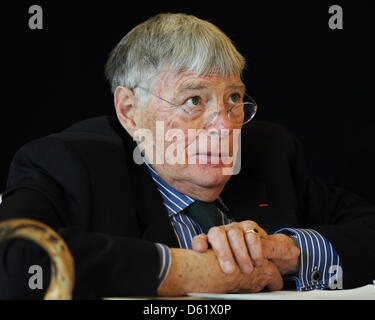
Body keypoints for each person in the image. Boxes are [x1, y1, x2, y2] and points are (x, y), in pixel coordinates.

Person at [0, 13, 374, 299]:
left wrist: (285, 251)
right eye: (194, 101)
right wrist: (198, 272)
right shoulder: (69, 163)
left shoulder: (271, 152)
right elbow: (16, 257)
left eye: (234, 100)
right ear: (130, 111)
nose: (226, 128)